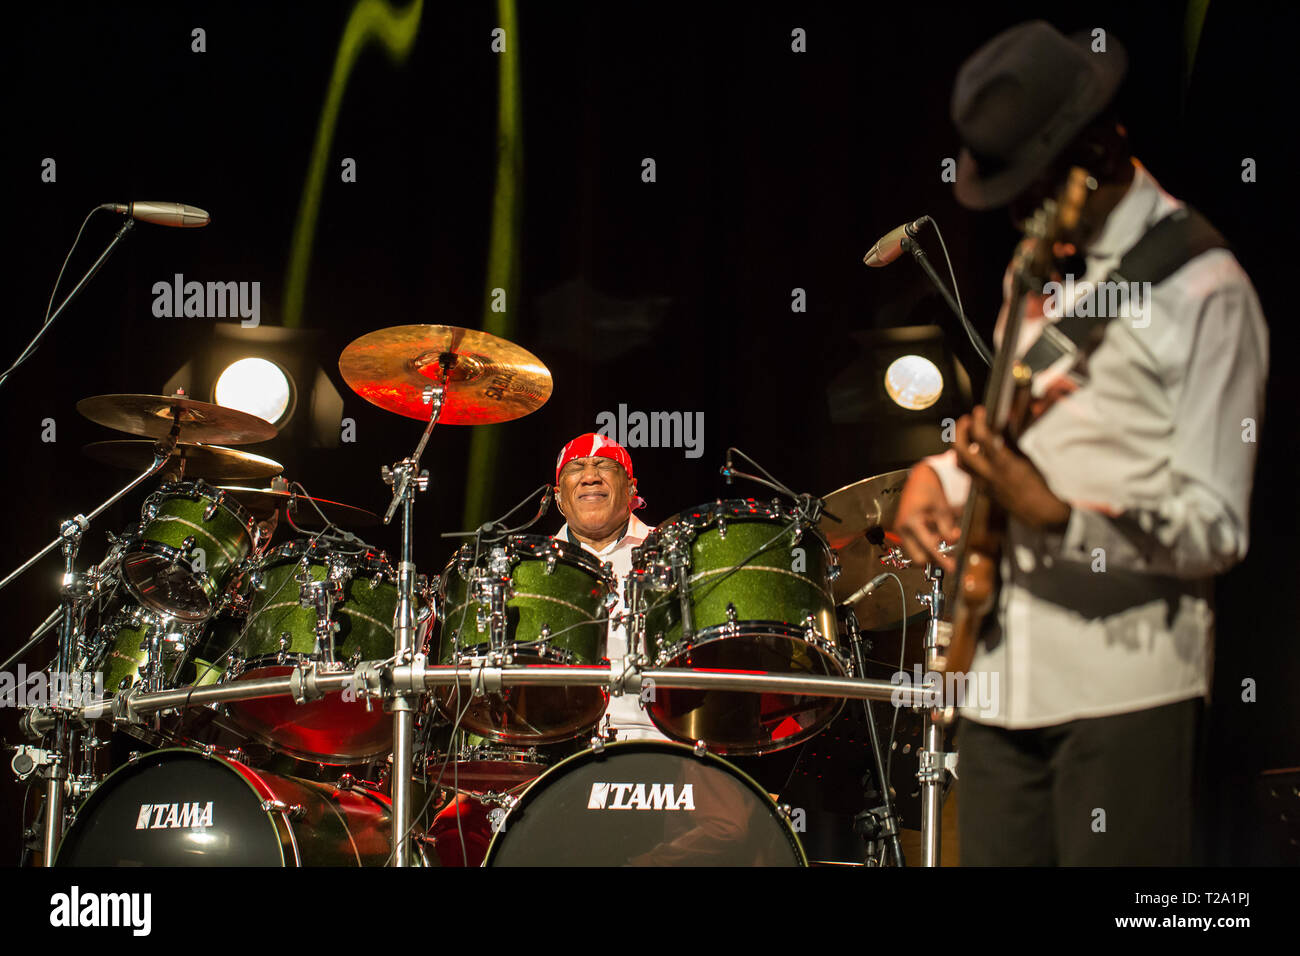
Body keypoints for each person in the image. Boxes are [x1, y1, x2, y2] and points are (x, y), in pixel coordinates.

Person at [893, 21, 1267, 865]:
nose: (1023, 211)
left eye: (1034, 185)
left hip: (1123, 686)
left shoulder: (1207, 289)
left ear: (1099, 147)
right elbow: (1016, 440)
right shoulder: (1036, 277)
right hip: (997, 679)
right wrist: (940, 474)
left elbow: (1218, 525)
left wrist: (1063, 521)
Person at [553, 433, 670, 742]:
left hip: (664, 744)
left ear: (631, 488)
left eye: (604, 465)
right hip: (556, 751)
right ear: (558, 497)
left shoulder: (672, 553)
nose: (590, 477)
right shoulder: (531, 569)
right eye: (576, 468)